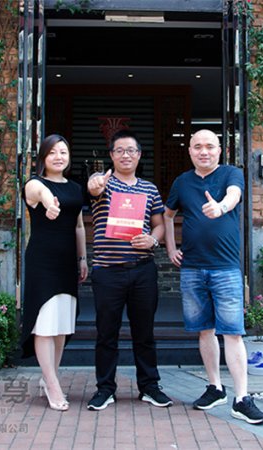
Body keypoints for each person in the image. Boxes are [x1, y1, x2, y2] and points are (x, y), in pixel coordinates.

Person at [163, 129, 263, 424]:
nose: (204, 151)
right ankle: (215, 388)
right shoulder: (182, 182)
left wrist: (220, 207)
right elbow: (168, 215)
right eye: (197, 146)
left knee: (233, 332)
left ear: (219, 150)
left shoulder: (231, 174)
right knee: (204, 330)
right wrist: (170, 248)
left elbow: (234, 196)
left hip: (225, 268)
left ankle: (241, 398)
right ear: (190, 150)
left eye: (210, 146)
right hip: (192, 268)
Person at [86, 129, 172, 411]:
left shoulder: (149, 189)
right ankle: (105, 389)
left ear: (139, 155)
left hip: (142, 269)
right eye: (120, 150)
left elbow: (159, 224)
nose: (126, 155)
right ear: (111, 155)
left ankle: (149, 387)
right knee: (106, 333)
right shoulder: (103, 183)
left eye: (131, 150)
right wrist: (96, 183)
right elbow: (93, 188)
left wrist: (153, 240)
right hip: (108, 271)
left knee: (144, 332)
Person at [21, 134, 88, 411]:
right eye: (52, 153)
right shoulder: (34, 184)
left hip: (67, 261)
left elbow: (79, 226)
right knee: (45, 324)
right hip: (43, 261)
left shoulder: (75, 188)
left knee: (61, 325)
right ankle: (52, 384)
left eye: (63, 152)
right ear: (43, 158)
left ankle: (50, 377)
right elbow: (43, 195)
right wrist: (50, 205)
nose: (59, 157)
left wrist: (83, 259)